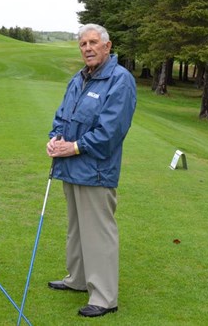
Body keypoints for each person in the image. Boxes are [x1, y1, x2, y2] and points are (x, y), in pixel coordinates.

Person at [46, 23, 136, 317]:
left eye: (93, 42)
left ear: (107, 46)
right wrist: (55, 139)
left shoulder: (120, 80)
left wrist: (72, 147)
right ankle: (78, 279)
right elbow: (63, 115)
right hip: (71, 168)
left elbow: (110, 132)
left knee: (98, 233)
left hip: (96, 171)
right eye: (83, 43)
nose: (87, 48)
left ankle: (104, 297)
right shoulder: (78, 79)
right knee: (76, 229)